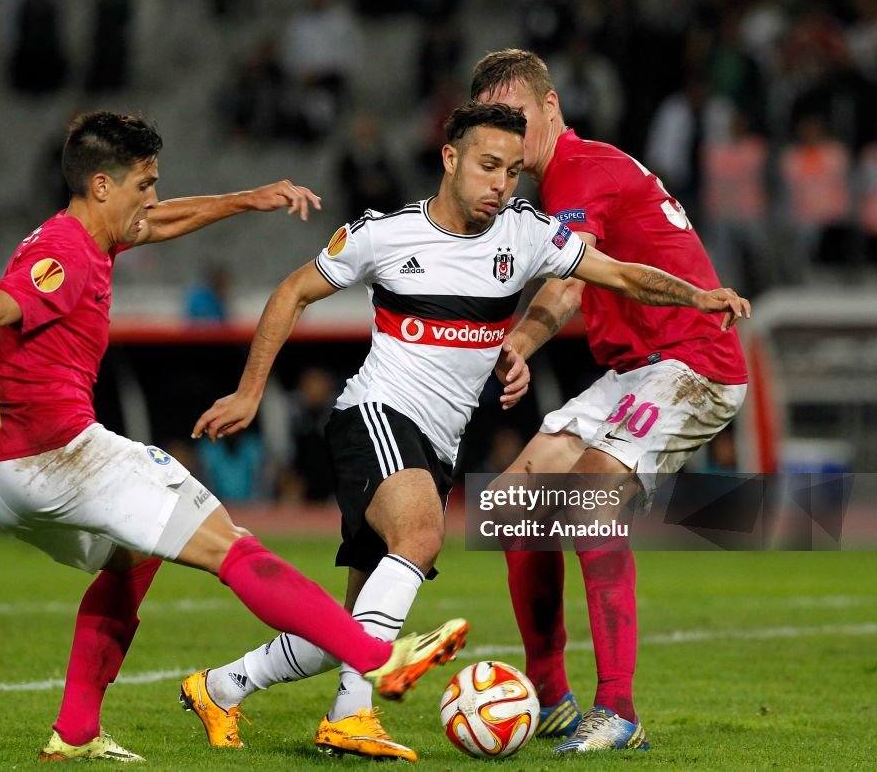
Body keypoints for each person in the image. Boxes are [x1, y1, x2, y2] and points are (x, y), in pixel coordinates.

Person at [189, 101, 749, 761]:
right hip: (374, 416)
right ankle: (353, 711)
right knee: (422, 536)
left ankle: (221, 685)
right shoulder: (386, 234)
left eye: (513, 171)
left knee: (352, 618)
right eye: (487, 166)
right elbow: (291, 292)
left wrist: (697, 295)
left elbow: (620, 273)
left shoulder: (527, 233)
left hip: (437, 444)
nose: (500, 185)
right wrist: (252, 389)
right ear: (450, 158)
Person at [0, 111, 469, 763]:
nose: (154, 199)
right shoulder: (64, 254)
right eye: (146, 184)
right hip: (57, 456)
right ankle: (377, 654)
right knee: (230, 544)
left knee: (132, 557)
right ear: (104, 185)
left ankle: (76, 730)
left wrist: (246, 200)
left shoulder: (91, 232)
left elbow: (160, 223)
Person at [470, 48, 751, 753]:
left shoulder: (580, 171)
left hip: (694, 358)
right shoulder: (565, 180)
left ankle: (618, 709)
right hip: (635, 370)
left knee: (588, 499)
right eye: (492, 121)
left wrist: (520, 346)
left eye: (517, 115)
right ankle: (549, 694)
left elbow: (567, 285)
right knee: (512, 506)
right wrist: (518, 349)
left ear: (552, 105)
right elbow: (572, 280)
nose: (507, 131)